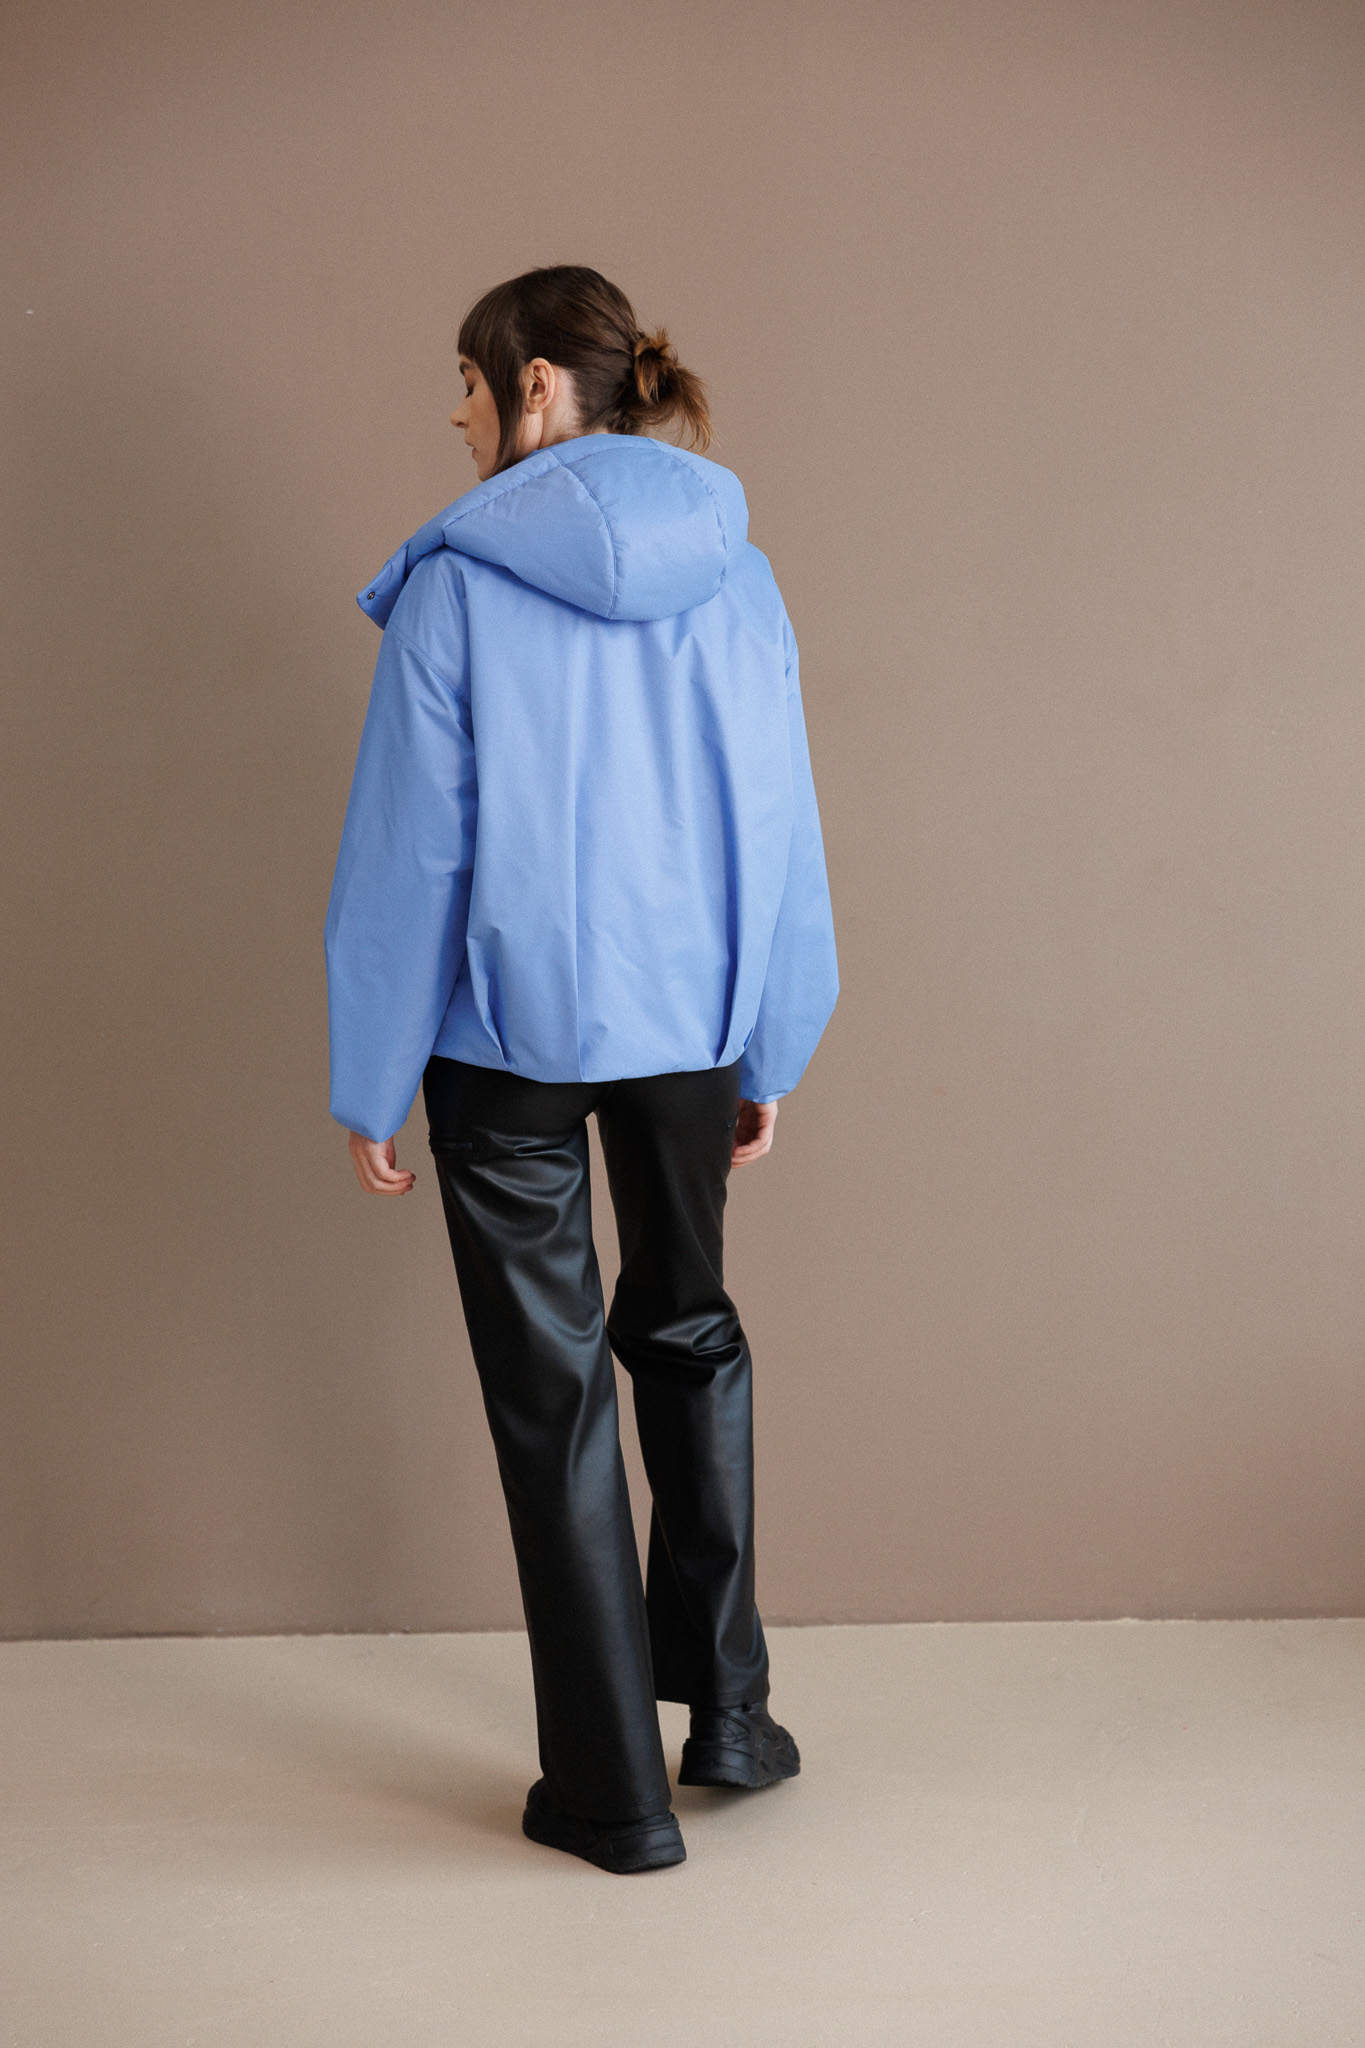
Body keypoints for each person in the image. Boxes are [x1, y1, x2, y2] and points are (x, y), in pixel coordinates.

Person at [325, 265, 838, 1874]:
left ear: (538, 385)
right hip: (691, 1030)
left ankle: (612, 1798)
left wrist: (371, 1073)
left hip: (505, 1042)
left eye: (469, 384)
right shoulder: (739, 577)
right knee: (691, 1332)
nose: (457, 413)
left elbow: (411, 854)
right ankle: (731, 1715)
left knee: (553, 1403)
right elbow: (778, 822)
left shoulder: (453, 587)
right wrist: (774, 1034)